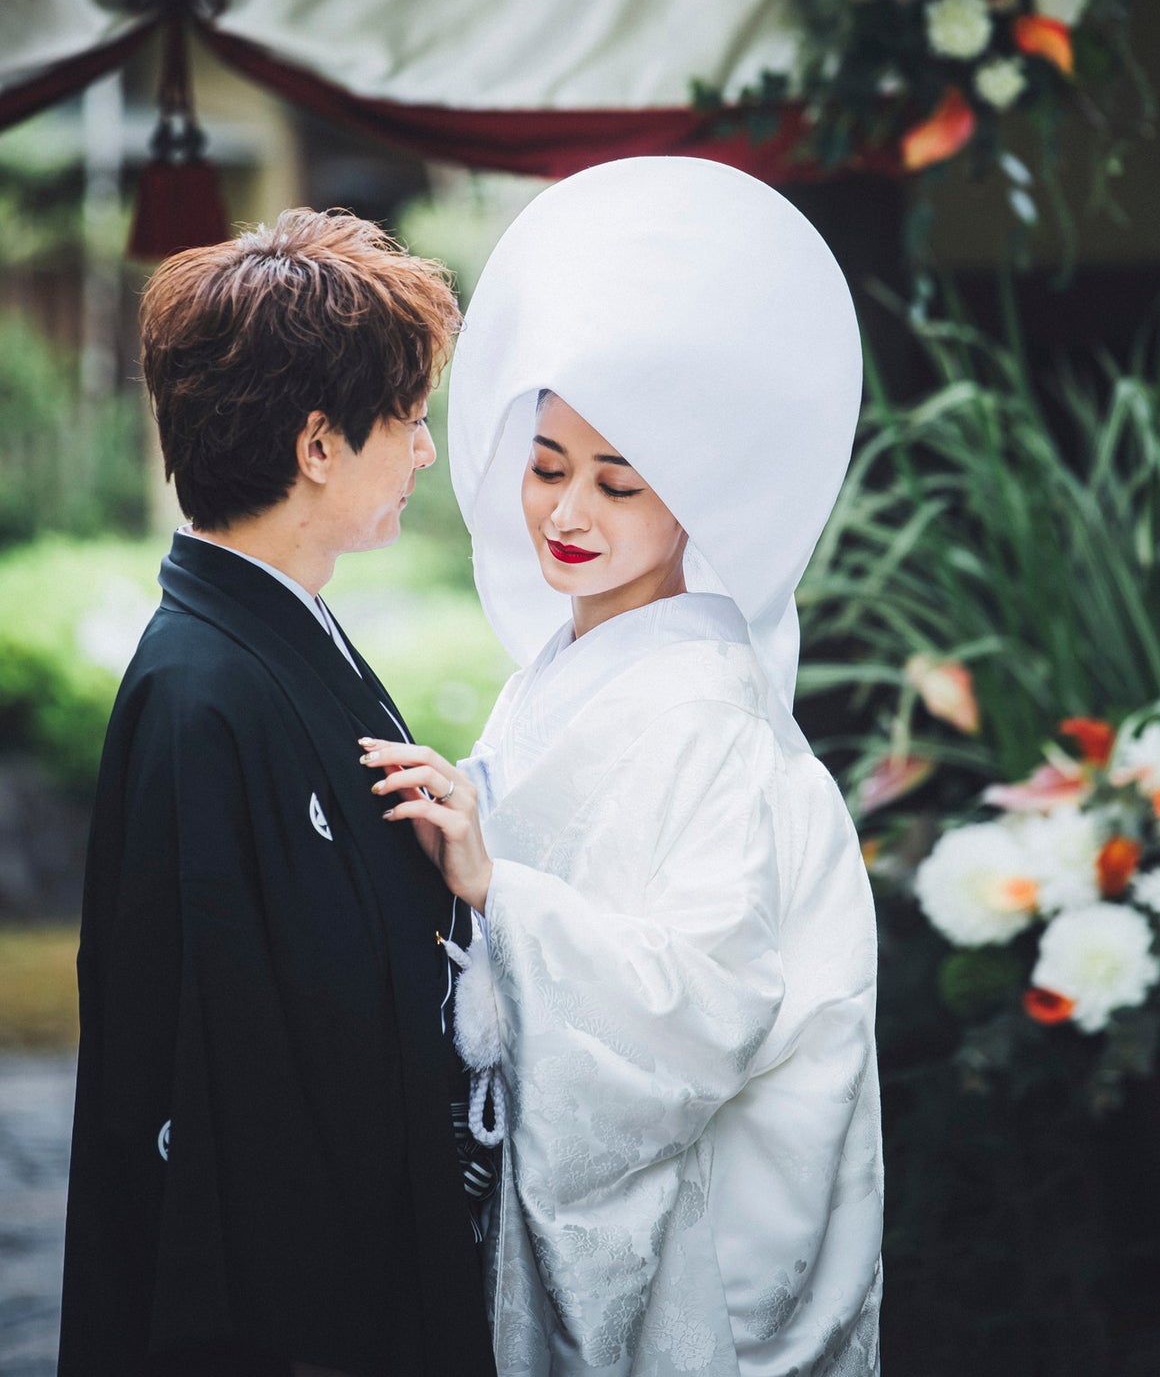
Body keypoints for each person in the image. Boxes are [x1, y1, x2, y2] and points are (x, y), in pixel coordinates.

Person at [361, 157, 885, 1377]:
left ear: (695, 496)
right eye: (547, 466)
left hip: (708, 1238)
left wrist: (505, 891)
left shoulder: (708, 715)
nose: (567, 512)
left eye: (618, 481)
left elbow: (708, 1005)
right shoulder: (562, 663)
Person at [59, 209, 496, 1377]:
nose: (424, 451)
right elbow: (213, 1075)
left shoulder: (275, 637)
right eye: (407, 420)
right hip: (289, 1318)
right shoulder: (202, 690)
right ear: (317, 446)